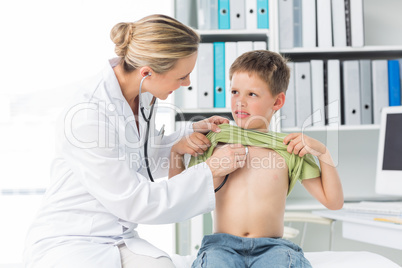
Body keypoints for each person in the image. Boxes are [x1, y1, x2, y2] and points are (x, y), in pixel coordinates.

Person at [23, 14, 248, 268]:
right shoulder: (87, 116)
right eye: (182, 76)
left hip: (118, 237)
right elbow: (135, 200)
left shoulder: (142, 94)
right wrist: (211, 169)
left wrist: (186, 137)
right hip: (71, 239)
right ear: (147, 72)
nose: (188, 83)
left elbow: (138, 158)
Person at [169, 50, 344, 268]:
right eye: (234, 92)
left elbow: (334, 202)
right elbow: (179, 197)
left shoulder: (288, 148)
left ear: (277, 101)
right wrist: (176, 153)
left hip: (273, 248)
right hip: (221, 247)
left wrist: (323, 152)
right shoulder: (215, 140)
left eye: (251, 94)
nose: (239, 102)